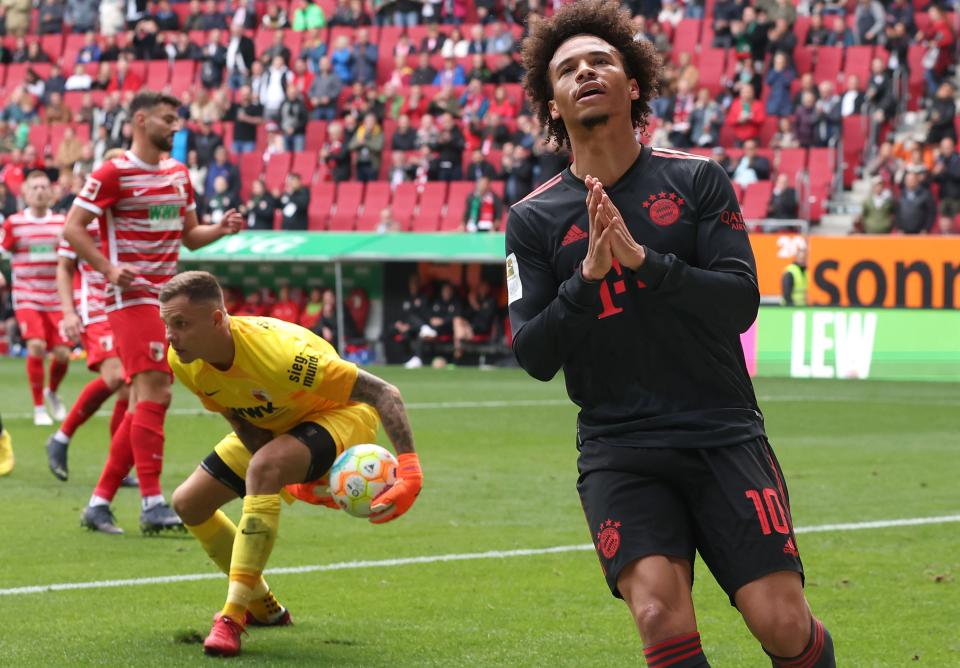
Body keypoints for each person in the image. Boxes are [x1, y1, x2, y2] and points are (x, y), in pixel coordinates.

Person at [507, 3, 836, 666]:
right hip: (619, 446)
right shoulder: (532, 219)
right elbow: (533, 353)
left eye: (602, 60)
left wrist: (646, 265)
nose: (586, 72)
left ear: (634, 85)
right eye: (567, 69)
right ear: (552, 105)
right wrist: (587, 279)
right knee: (657, 612)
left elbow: (739, 301)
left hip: (721, 432)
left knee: (781, 624)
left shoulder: (695, 180)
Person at [159, 271, 422, 656]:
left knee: (263, 469)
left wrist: (411, 471)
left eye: (180, 324)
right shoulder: (184, 361)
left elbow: (383, 393)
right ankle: (264, 606)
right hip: (276, 423)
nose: (170, 335)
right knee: (189, 503)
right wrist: (287, 477)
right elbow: (237, 415)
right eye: (167, 324)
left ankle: (232, 617)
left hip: (341, 417)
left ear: (217, 319)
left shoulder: (282, 355)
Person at [63, 91, 244, 535]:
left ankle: (100, 502)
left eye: (177, 118)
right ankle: (151, 503)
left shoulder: (179, 175)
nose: (176, 126)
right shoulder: (112, 173)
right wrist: (108, 268)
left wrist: (220, 229)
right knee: (156, 392)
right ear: (140, 121)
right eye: (168, 119)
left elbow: (190, 237)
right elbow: (72, 227)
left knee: (143, 399)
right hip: (130, 299)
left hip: (167, 299)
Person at [47, 153, 135, 495]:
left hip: (126, 307)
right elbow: (64, 267)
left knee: (131, 389)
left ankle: (117, 467)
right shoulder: (83, 215)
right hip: (95, 306)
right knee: (116, 378)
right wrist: (69, 312)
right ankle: (62, 436)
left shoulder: (132, 217)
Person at [0, 171, 71, 426]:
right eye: (35, 188)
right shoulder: (14, 224)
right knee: (37, 346)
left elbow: (72, 256)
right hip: (27, 295)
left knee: (63, 354)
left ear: (52, 194)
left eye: (44, 187)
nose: (40, 191)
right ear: (26, 194)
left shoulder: (62, 223)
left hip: (56, 297)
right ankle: (39, 407)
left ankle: (51, 391)